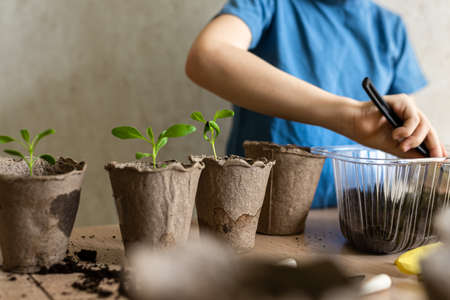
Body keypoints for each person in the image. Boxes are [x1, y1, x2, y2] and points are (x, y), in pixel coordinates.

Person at [185, 0, 447, 208]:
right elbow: (206, 57)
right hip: (257, 213)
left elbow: (404, 133)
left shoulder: (391, 29)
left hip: (356, 219)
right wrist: (349, 117)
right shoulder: (268, 4)